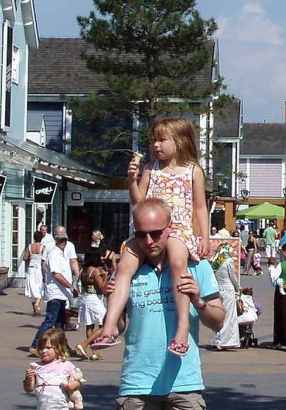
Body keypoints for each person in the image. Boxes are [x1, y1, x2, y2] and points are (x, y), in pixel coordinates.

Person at [95, 197, 225, 410]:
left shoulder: (194, 266)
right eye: (142, 234)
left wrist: (198, 299)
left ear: (170, 229)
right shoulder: (129, 268)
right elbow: (119, 326)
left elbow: (218, 320)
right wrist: (109, 311)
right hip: (138, 379)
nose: (150, 241)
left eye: (157, 233)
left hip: (184, 380)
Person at [127, 117, 210, 356]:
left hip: (179, 229)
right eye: (154, 140)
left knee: (176, 260)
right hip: (150, 229)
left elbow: (200, 207)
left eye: (162, 139)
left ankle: (182, 324)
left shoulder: (193, 171)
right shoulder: (150, 169)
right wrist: (132, 180)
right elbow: (138, 201)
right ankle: (111, 322)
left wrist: (205, 236)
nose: (156, 145)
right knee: (125, 263)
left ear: (179, 141)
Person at [31, 227, 76, 355]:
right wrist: (71, 287)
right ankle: (36, 344)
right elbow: (56, 274)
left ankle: (63, 346)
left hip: (61, 293)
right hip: (55, 293)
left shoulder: (61, 252)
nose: (63, 242)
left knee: (60, 323)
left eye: (65, 240)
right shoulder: (54, 253)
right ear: (56, 240)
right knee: (50, 320)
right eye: (60, 240)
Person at [77, 246, 109, 361]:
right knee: (105, 324)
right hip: (95, 299)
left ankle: (94, 352)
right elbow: (102, 287)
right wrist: (105, 277)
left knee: (89, 325)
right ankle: (84, 344)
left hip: (85, 297)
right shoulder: (95, 271)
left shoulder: (83, 270)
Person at [209, 242, 241, 351]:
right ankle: (223, 341)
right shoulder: (228, 261)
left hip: (217, 289)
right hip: (228, 289)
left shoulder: (214, 261)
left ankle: (216, 339)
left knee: (218, 315)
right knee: (228, 316)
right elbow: (232, 277)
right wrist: (238, 287)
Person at [24, 230, 48, 314]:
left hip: (31, 268)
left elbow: (24, 258)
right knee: (40, 287)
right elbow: (43, 261)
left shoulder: (30, 246)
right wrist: (44, 272)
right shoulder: (43, 247)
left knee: (31, 287)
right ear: (41, 238)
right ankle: (37, 304)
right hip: (38, 268)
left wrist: (30, 256)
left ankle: (34, 310)